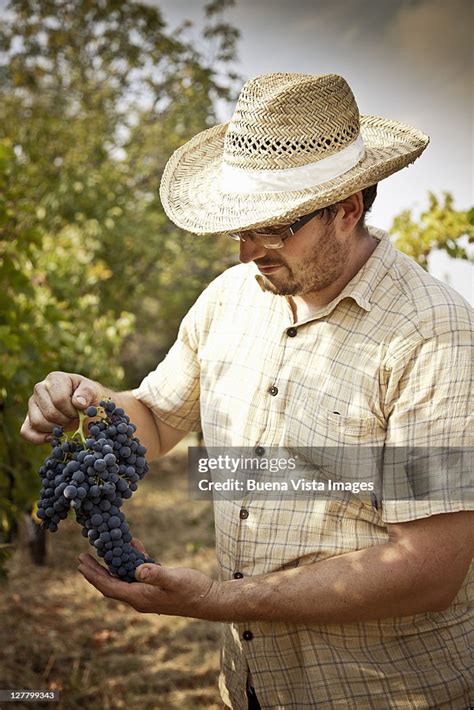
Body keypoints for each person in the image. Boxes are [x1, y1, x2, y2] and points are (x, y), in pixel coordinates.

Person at [21, 73, 473, 710]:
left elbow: (431, 568)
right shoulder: (231, 300)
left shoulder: (433, 332)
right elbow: (154, 419)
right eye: (240, 227)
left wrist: (217, 601)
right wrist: (93, 404)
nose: (247, 251)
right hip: (253, 682)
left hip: (380, 689)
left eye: (274, 228)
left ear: (348, 209)